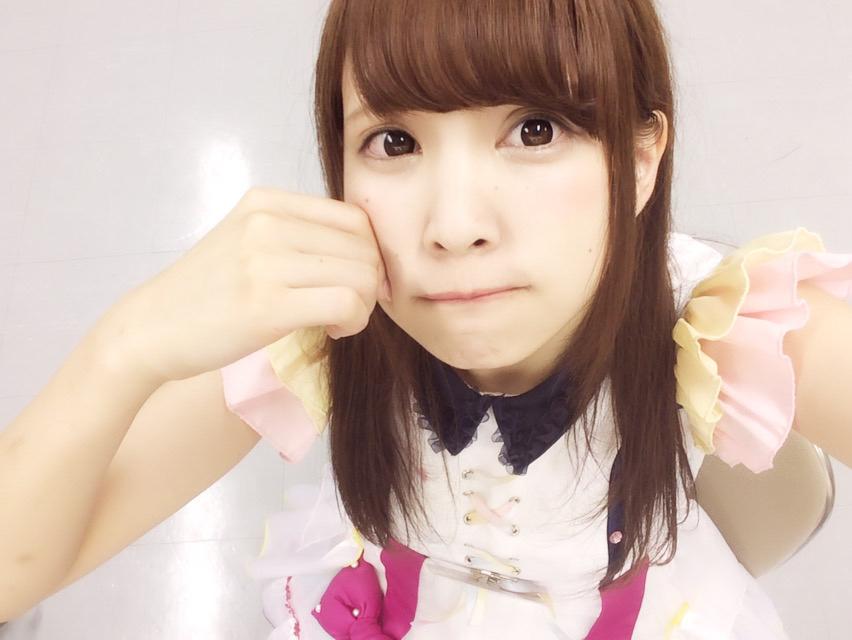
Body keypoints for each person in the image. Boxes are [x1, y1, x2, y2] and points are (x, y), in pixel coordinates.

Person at [1, 1, 851, 638]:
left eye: (535, 129)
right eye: (395, 142)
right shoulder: (327, 316)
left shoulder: (722, 320)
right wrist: (124, 347)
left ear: (639, 156)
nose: (453, 225)